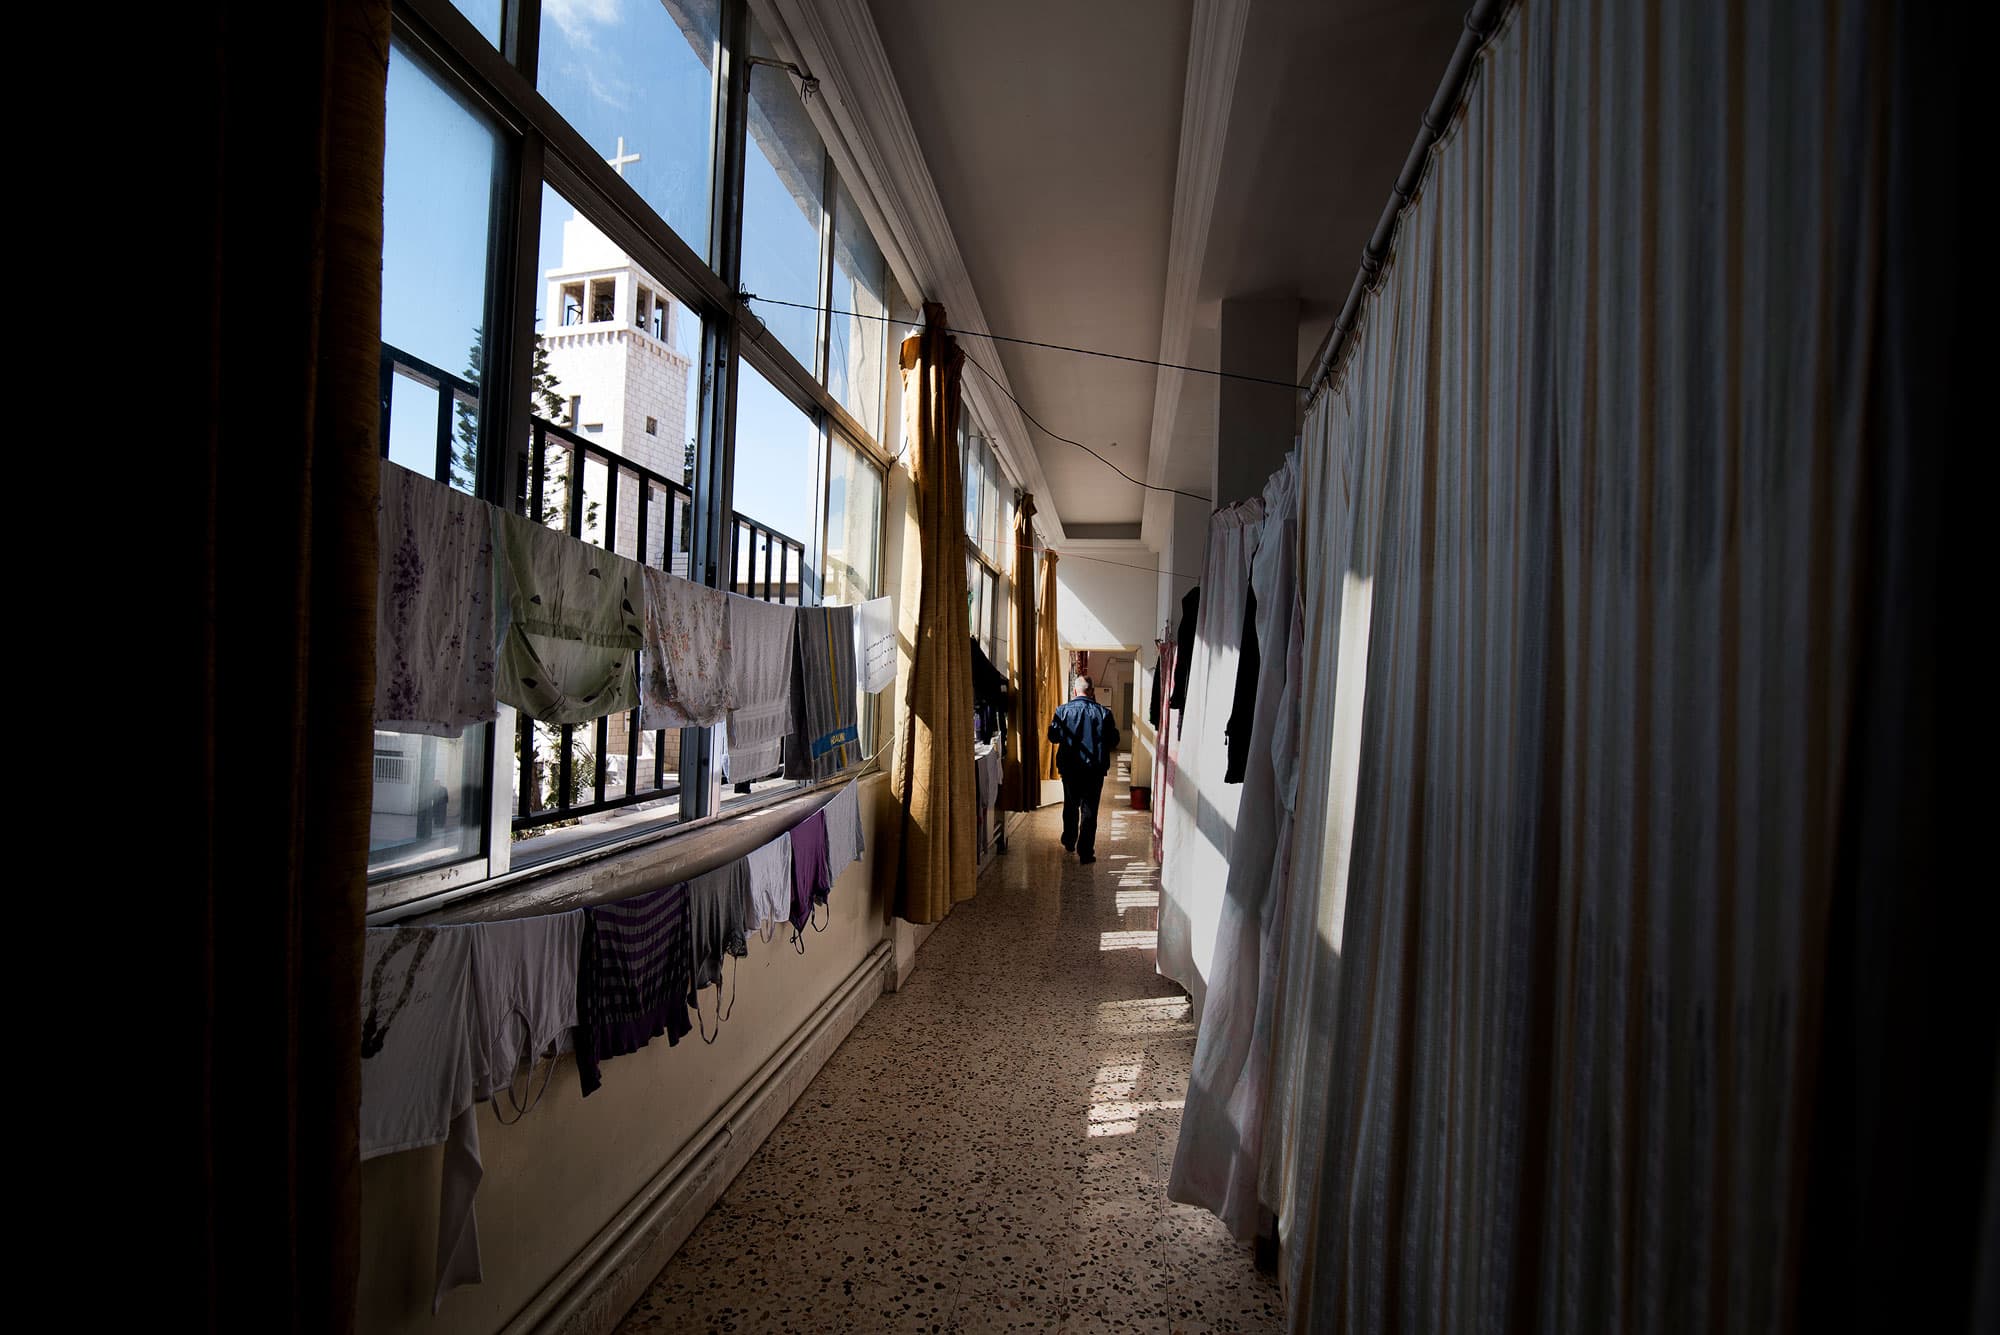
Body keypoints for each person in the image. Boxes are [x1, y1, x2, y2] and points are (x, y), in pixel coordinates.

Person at [1047, 675, 1119, 864]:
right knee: (1090, 810)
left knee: (1070, 805)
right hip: (1094, 770)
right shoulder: (1104, 713)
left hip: (1069, 769)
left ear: (1074, 691)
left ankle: (1069, 840)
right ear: (1092, 691)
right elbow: (1114, 740)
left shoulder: (1062, 711)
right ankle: (1085, 852)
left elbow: (1053, 737)